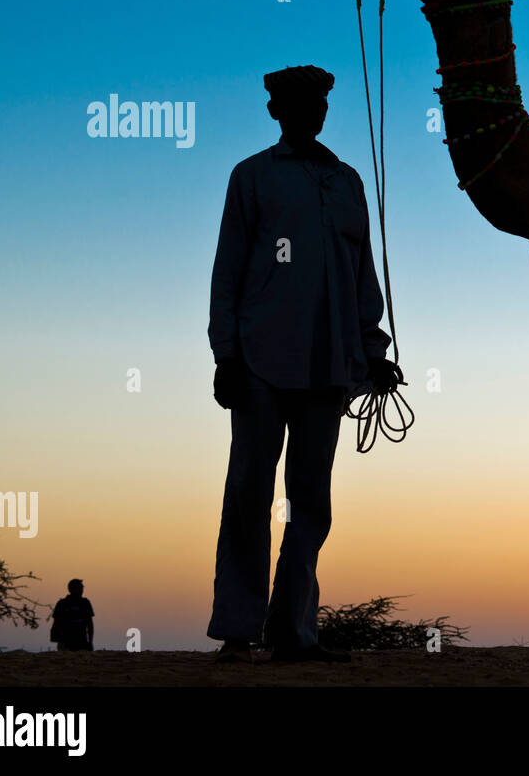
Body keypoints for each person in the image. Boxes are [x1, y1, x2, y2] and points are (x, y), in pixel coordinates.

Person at [207, 65, 399, 664]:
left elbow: (363, 273)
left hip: (331, 365)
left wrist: (375, 350)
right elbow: (228, 273)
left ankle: (293, 631)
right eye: (297, 102)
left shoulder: (347, 183)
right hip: (260, 360)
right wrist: (226, 356)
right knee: (249, 494)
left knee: (311, 501)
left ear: (323, 109)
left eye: (317, 102)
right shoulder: (252, 178)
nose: (310, 111)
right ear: (276, 111)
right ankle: (238, 629)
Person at [50, 579, 94, 651]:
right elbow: (56, 623)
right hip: (66, 642)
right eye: (80, 588)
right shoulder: (62, 604)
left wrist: (90, 642)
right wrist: (61, 640)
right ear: (72, 589)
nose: (82, 590)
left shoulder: (85, 603)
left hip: (82, 641)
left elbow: (90, 624)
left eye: (82, 587)